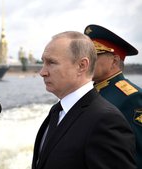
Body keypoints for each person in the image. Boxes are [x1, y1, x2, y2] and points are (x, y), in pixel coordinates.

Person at [32, 31, 136, 169]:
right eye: (43, 62)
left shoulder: (106, 120)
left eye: (52, 62)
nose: (42, 72)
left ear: (82, 66)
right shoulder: (57, 110)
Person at [84, 24, 142, 169]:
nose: (86, 61)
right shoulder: (92, 92)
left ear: (114, 61)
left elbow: (139, 151)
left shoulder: (132, 97)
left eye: (94, 56)